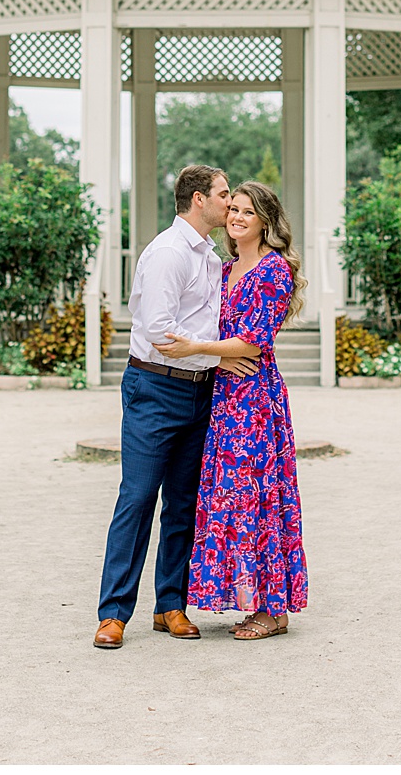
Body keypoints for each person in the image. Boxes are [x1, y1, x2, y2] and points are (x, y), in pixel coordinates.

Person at [94, 164, 260, 649]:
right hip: (155, 388)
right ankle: (113, 614)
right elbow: (158, 332)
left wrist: (213, 362)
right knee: (138, 498)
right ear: (198, 199)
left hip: (200, 390)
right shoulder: (169, 253)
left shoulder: (210, 256)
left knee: (184, 503)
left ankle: (170, 605)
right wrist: (220, 356)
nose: (230, 203)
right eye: (224, 194)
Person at [162, 180, 310, 638]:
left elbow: (253, 341)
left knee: (257, 497)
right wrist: (213, 357)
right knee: (229, 497)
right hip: (222, 397)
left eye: (248, 211)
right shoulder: (223, 269)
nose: (238, 217)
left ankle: (272, 609)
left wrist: (196, 349)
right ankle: (253, 602)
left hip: (255, 401)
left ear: (266, 220)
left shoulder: (274, 269)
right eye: (234, 209)